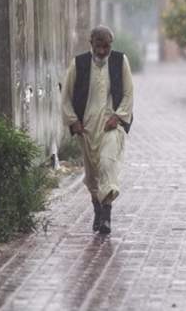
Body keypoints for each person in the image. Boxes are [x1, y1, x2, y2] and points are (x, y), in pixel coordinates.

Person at [61, 25, 133, 234]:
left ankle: (106, 215)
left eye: (107, 47)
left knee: (106, 164)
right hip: (87, 127)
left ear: (111, 45)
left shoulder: (120, 61)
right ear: (91, 43)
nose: (102, 52)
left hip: (112, 125)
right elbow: (66, 96)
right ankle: (97, 209)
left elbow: (128, 93)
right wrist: (74, 121)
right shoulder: (79, 64)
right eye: (99, 46)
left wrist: (118, 117)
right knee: (93, 174)